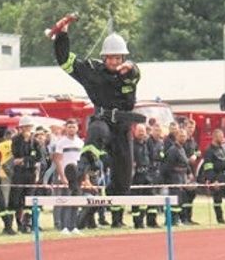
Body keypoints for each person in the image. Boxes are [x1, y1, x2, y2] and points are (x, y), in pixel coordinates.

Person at [47, 14, 141, 228]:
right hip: (103, 120)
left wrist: (130, 67)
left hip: (123, 128)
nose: (114, 62)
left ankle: (98, 215)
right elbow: (65, 61)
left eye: (118, 58)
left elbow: (134, 72)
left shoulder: (129, 74)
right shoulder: (92, 71)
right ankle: (78, 173)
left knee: (123, 182)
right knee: (96, 132)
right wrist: (62, 34)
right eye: (110, 58)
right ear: (104, 57)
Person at [9, 116, 44, 232]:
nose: (27, 129)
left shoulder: (35, 142)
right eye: (25, 127)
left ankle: (27, 223)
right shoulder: (16, 140)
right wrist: (28, 159)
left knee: (29, 199)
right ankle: (18, 223)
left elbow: (38, 157)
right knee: (17, 200)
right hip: (19, 174)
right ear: (21, 128)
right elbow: (16, 154)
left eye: (29, 126)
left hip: (31, 174)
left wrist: (24, 160)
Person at [199, 128, 225, 224]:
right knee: (218, 199)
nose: (222, 139)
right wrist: (213, 180)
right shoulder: (209, 151)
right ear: (215, 137)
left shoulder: (224, 149)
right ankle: (220, 219)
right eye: (220, 137)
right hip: (217, 177)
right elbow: (208, 167)